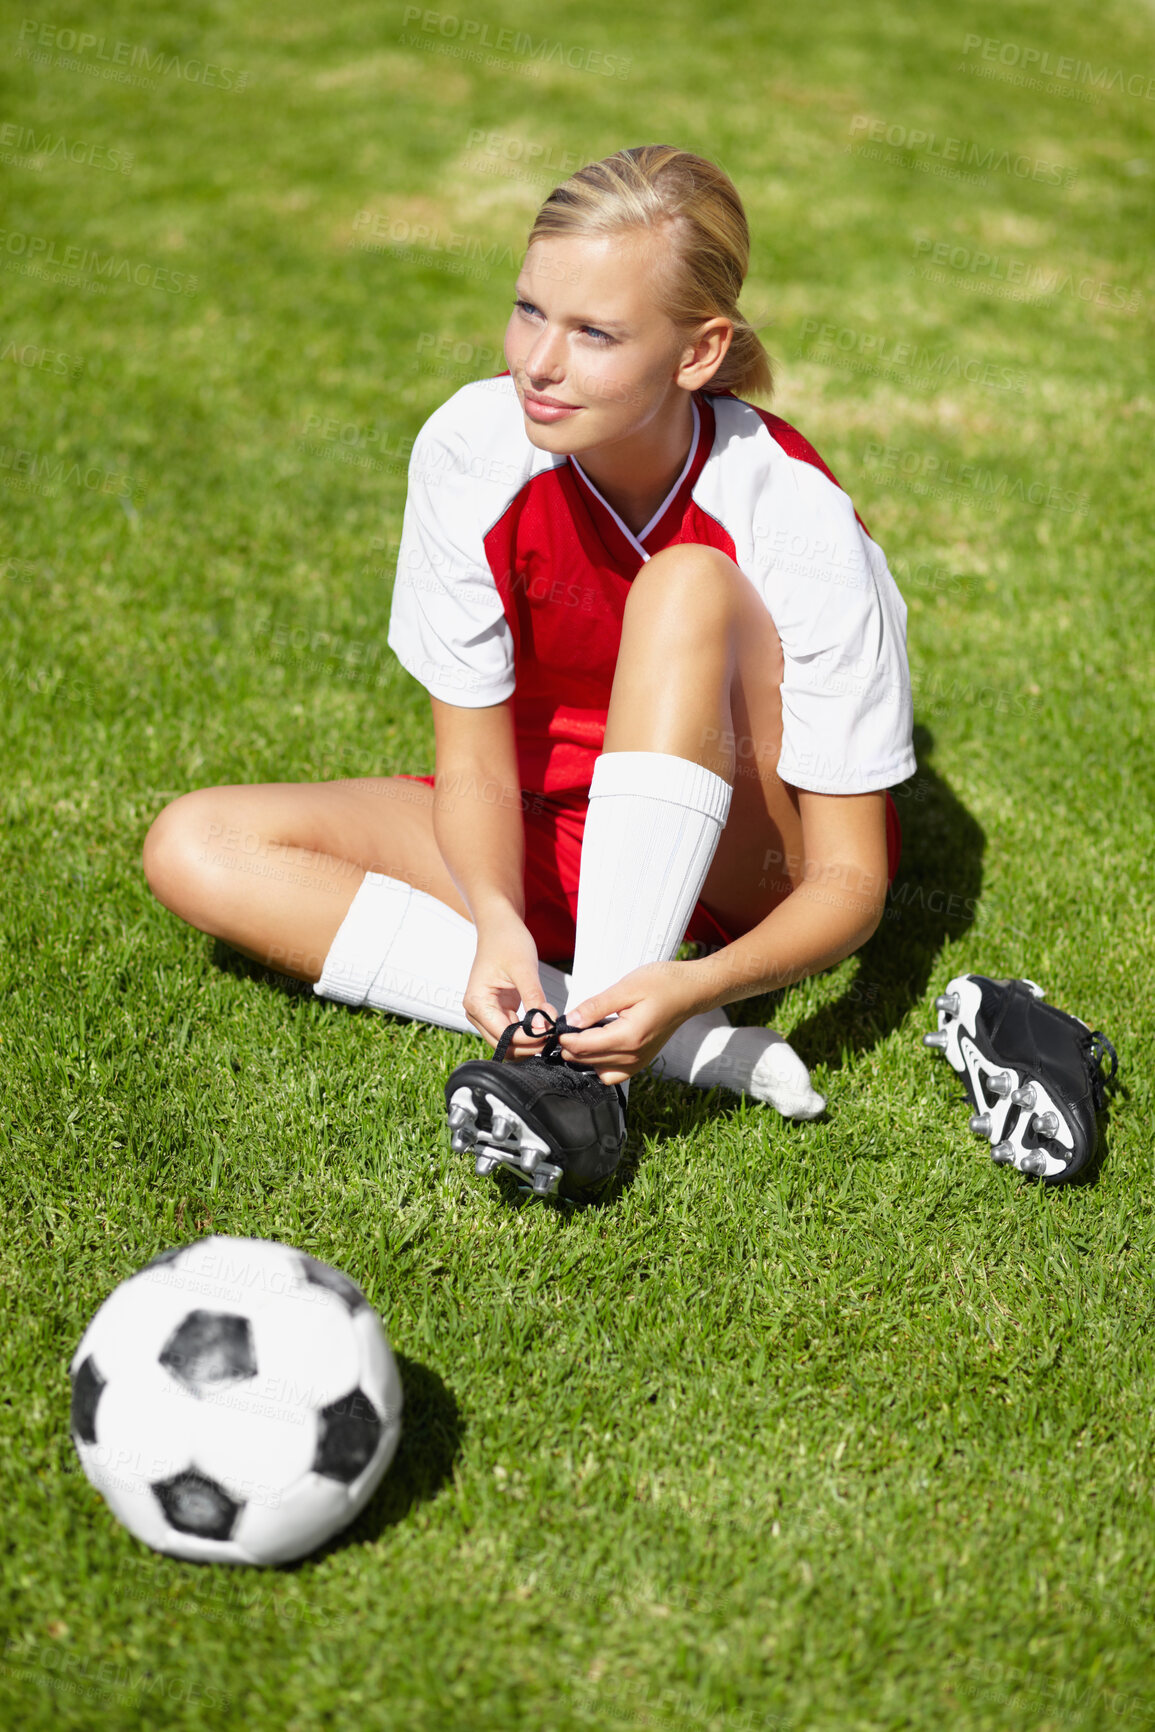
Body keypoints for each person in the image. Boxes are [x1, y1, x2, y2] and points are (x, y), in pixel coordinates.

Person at [143, 145, 915, 1195]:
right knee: (198, 844)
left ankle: (585, 1091)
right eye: (528, 310)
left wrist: (702, 978)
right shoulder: (470, 448)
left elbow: (849, 882)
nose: (538, 362)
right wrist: (497, 919)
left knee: (686, 583)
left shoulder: (790, 514)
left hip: (743, 862)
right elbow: (471, 764)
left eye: (594, 332)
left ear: (701, 352)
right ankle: (657, 1039)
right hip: (549, 826)